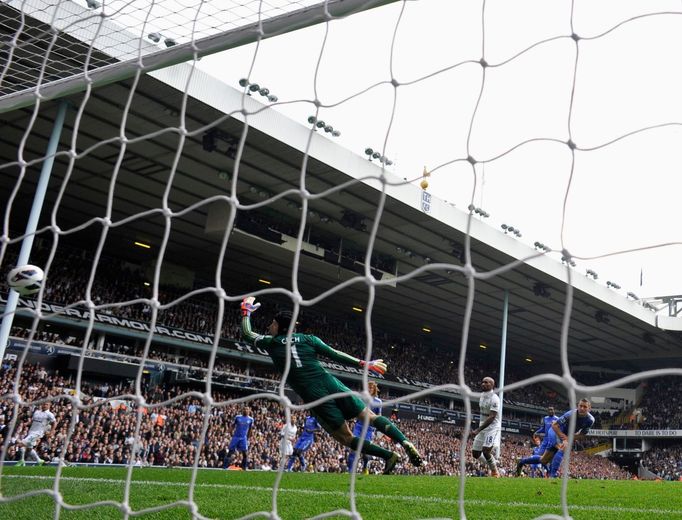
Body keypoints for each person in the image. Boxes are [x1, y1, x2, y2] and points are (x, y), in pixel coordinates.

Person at [239, 297, 423, 474]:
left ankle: (389, 456)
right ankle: (405, 441)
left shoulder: (272, 343)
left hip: (315, 395)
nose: (269, 326)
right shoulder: (309, 339)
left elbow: (247, 334)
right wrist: (364, 363)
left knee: (345, 437)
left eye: (272, 323)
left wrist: (246, 311)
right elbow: (335, 354)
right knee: (370, 416)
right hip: (331, 383)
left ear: (279, 326)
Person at [517, 398, 594, 477]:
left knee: (544, 460)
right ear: (577, 406)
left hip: (564, 435)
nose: (582, 408)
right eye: (580, 406)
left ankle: (521, 461)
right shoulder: (570, 414)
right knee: (563, 447)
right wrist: (564, 437)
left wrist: (570, 438)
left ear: (589, 408)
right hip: (555, 431)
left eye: (585, 407)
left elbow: (582, 433)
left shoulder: (590, 420)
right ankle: (552, 476)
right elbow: (554, 425)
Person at [348, 380, 382, 474]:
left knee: (365, 454)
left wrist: (377, 430)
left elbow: (378, 416)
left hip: (369, 429)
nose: (370, 389)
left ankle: (365, 466)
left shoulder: (378, 401)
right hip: (358, 426)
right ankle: (350, 471)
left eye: (371, 387)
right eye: (368, 387)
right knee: (353, 448)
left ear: (374, 389)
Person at [470, 376, 500, 477]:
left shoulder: (495, 399)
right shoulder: (482, 395)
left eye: (486, 382)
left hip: (492, 427)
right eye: (482, 382)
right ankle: (493, 463)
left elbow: (492, 417)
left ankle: (495, 472)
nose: (483, 384)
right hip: (482, 426)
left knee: (486, 450)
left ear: (492, 385)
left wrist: (478, 430)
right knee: (475, 454)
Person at [515, 406, 558, 476]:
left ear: (554, 411)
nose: (550, 411)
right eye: (549, 410)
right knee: (539, 456)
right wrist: (537, 432)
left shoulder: (557, 419)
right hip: (545, 440)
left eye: (552, 410)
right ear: (547, 411)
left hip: (552, 440)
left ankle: (550, 473)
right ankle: (522, 461)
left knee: (549, 458)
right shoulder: (545, 419)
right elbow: (544, 428)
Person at [16, 401, 56, 466]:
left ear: (49, 406)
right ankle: (39, 460)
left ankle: (21, 461)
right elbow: (32, 421)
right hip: (31, 432)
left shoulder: (49, 414)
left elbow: (54, 423)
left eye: (46, 404)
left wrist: (51, 432)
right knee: (29, 449)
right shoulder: (37, 412)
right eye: (44, 404)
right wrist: (27, 423)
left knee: (21, 444)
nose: (45, 405)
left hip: (37, 433)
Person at [223, 406, 254, 470]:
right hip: (236, 437)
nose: (245, 410)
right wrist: (227, 432)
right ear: (242, 410)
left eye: (247, 409)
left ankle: (244, 468)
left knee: (245, 453)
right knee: (230, 451)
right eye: (244, 409)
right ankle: (224, 467)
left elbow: (250, 429)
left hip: (243, 438)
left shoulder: (251, 419)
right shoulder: (238, 417)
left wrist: (247, 438)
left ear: (249, 411)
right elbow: (233, 426)